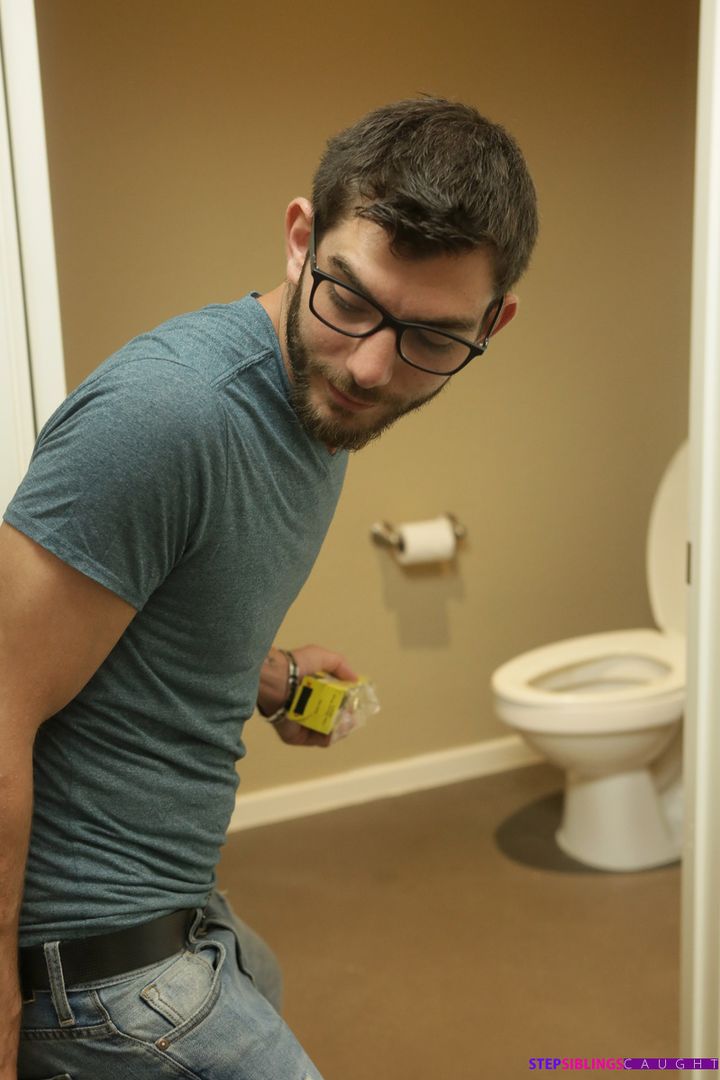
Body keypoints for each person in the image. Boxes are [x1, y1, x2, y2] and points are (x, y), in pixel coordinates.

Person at [0, 96, 538, 1079]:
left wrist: (272, 676)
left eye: (432, 338)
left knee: (264, 974)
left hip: (178, 900)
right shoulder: (168, 416)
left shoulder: (317, 406)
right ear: (300, 239)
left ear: (492, 324)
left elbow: (138, 617)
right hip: (90, 965)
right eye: (351, 301)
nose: (370, 367)